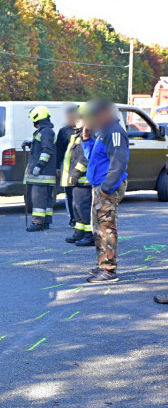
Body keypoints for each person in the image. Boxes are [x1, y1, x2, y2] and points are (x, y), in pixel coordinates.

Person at [85, 99, 129, 283]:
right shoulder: (103, 132)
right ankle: (103, 263)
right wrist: (86, 139)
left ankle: (109, 270)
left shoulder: (116, 133)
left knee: (106, 227)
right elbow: (91, 158)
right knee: (98, 228)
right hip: (100, 186)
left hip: (108, 187)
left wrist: (106, 188)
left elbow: (118, 164)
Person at [61, 114, 95, 246]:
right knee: (77, 207)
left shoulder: (87, 136)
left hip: (83, 180)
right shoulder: (76, 135)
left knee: (84, 207)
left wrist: (74, 174)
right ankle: (79, 232)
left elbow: (85, 159)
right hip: (75, 180)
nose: (76, 121)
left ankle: (89, 235)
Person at [24, 106, 57, 232]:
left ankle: (37, 223)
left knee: (38, 199)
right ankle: (46, 222)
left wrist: (38, 166)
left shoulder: (46, 132)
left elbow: (47, 150)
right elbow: (41, 147)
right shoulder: (45, 131)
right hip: (46, 174)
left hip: (41, 174)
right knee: (47, 199)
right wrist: (30, 144)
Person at [56, 104, 80, 227]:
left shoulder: (86, 130)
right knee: (69, 195)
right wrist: (56, 167)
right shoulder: (64, 131)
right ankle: (72, 218)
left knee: (81, 195)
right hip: (67, 169)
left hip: (81, 168)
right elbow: (58, 150)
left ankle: (82, 219)